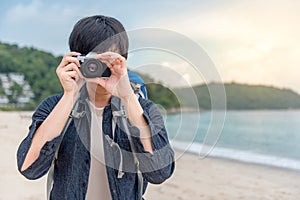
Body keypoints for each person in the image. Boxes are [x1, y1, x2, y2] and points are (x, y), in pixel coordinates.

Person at [17, 15, 175, 200]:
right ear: (76, 58)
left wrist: (127, 96)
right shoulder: (54, 106)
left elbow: (160, 172)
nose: (98, 67)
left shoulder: (143, 110)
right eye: (92, 59)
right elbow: (29, 168)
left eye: (107, 59)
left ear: (123, 61)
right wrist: (71, 94)